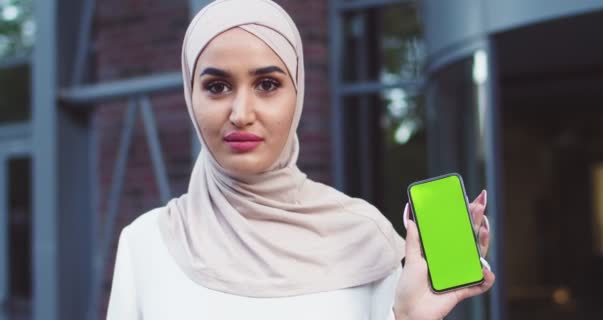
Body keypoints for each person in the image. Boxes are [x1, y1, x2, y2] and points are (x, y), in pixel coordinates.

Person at [106, 0, 495, 319]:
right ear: (191, 97)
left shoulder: (365, 239)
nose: (241, 112)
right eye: (217, 86)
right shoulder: (146, 243)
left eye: (268, 84)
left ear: (298, 93)